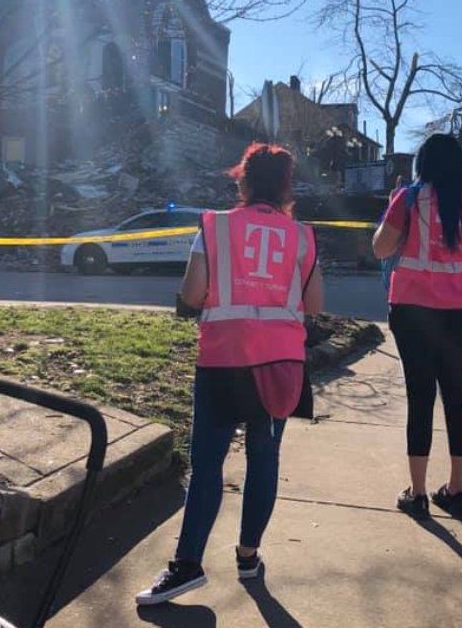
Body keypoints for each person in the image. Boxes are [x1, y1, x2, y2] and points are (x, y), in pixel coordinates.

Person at [136, 143, 324, 606]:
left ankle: (187, 565)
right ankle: (247, 556)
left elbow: (194, 292)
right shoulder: (301, 237)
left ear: (241, 182)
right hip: (280, 366)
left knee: (208, 464)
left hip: (223, 359)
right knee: (264, 459)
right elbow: (315, 305)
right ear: (286, 186)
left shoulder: (215, 226)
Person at [372, 133, 462, 520]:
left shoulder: (409, 198)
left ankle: (417, 493)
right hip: (458, 309)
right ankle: (456, 490)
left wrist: (391, 213)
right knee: (456, 394)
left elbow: (381, 248)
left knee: (420, 397)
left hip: (412, 308)